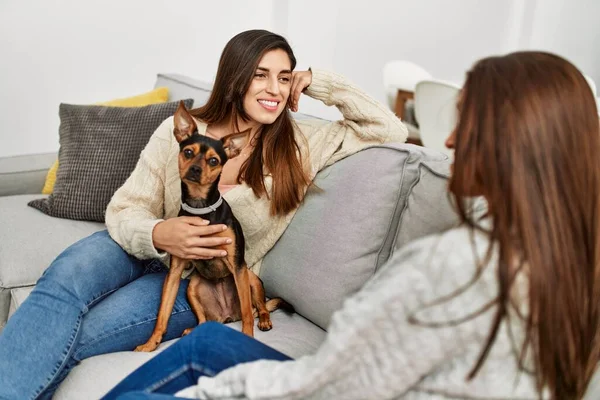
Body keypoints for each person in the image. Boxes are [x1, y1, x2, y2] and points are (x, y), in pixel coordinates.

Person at [101, 51, 600, 400]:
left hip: (334, 388)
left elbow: (326, 388)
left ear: (511, 142)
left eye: (464, 123)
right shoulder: (568, 247)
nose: (446, 140)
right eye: (260, 76)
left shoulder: (449, 266)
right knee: (205, 342)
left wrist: (213, 393)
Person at [0, 30, 407, 399]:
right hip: (138, 243)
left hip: (202, 278)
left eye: (284, 77)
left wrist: (319, 81)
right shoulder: (178, 131)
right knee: (59, 286)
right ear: (235, 77)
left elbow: (389, 130)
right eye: (261, 75)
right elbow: (126, 207)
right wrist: (160, 232)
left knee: (86, 335)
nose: (275, 89)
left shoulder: (301, 146)